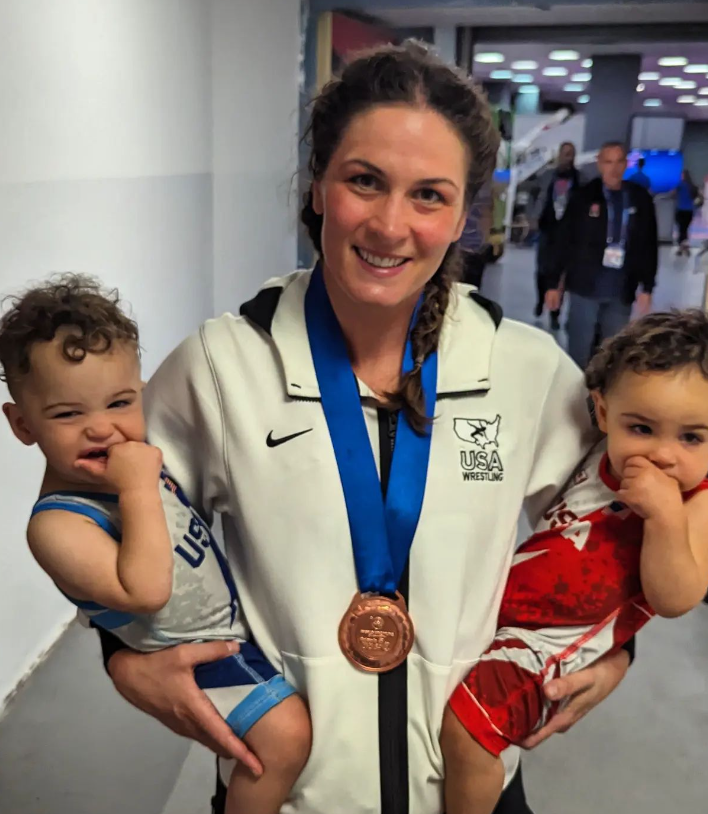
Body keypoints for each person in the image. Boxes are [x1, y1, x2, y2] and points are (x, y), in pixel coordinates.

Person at [90, 41, 633, 814]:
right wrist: (121, 653)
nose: (389, 224)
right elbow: (99, 495)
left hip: (468, 790)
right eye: (364, 181)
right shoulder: (223, 365)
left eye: (428, 196)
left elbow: (610, 519)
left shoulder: (524, 370)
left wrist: (615, 646)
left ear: (462, 217)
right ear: (317, 186)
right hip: (284, 791)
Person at [0, 275, 311, 814]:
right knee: (285, 737)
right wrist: (140, 486)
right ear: (22, 424)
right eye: (69, 413)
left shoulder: (129, 466)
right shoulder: (57, 525)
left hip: (232, 625)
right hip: (193, 651)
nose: (102, 429)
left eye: (119, 403)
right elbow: (145, 592)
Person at [440, 310, 708, 814]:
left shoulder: (701, 504)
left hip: (552, 648)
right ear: (602, 413)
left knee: (467, 732)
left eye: (691, 437)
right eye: (642, 428)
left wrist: (665, 518)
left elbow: (675, 598)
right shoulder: (597, 457)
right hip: (505, 619)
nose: (663, 454)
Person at [544, 141, 658, 370]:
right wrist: (553, 284)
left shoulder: (639, 199)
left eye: (619, 162)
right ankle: (578, 391)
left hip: (621, 289)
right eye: (608, 162)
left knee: (612, 355)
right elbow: (563, 242)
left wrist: (647, 287)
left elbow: (648, 244)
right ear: (599, 164)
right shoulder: (583, 197)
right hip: (585, 287)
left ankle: (602, 391)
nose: (613, 169)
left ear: (626, 164)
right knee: (579, 353)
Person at [531, 141, 580, 330]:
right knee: (542, 270)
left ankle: (555, 313)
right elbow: (535, 197)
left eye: (571, 153)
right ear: (559, 154)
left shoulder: (580, 180)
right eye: (565, 153)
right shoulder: (546, 176)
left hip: (568, 234)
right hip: (547, 229)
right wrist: (532, 217)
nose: (568, 157)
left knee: (561, 275)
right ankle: (540, 300)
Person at [671, 170, 701, 256]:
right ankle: (685, 247)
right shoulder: (693, 187)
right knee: (685, 229)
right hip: (689, 211)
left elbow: (672, 194)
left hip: (680, 210)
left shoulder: (680, 185)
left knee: (681, 230)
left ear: (683, 176)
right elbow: (698, 198)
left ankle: (681, 248)